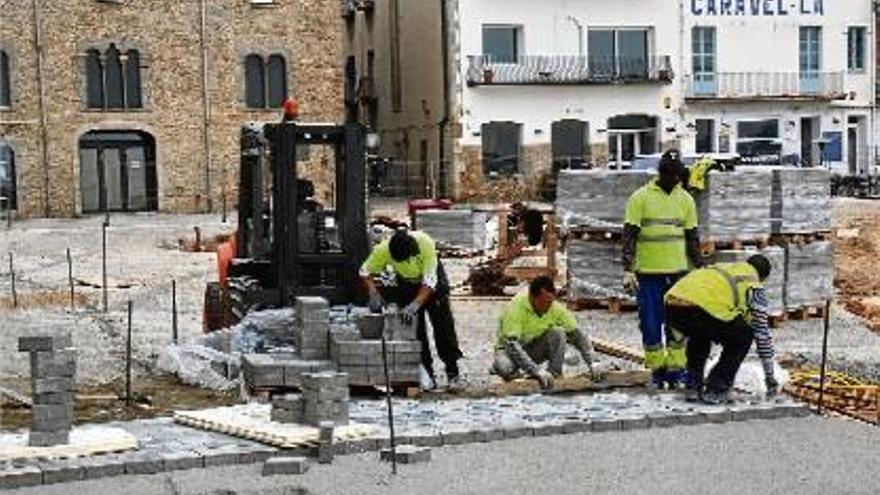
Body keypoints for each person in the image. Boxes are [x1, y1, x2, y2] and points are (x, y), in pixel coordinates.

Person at [622, 149, 702, 389]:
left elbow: (692, 237)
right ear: (660, 173)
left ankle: (676, 370)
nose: (672, 178)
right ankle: (658, 370)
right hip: (648, 274)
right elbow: (629, 236)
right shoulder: (640, 198)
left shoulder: (686, 200)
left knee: (678, 325)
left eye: (676, 174)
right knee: (650, 322)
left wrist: (698, 267)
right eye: (668, 173)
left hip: (678, 274)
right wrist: (628, 268)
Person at [664, 254, 780, 404]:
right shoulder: (753, 284)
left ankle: (693, 386)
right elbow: (762, 334)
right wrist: (770, 376)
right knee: (744, 335)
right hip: (703, 309)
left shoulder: (726, 268)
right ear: (763, 277)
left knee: (700, 334)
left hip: (672, 305)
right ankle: (716, 389)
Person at [360, 229, 464, 391]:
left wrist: (415, 305)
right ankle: (427, 375)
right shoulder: (383, 250)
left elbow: (430, 282)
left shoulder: (425, 244)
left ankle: (453, 371)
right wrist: (373, 293)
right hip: (407, 284)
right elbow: (364, 272)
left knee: (443, 326)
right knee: (416, 330)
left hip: (432, 282)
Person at [492, 276, 597, 390]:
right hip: (509, 351)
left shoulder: (554, 308)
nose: (548, 306)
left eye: (550, 301)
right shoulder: (516, 307)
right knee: (504, 367)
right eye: (544, 302)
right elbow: (512, 345)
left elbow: (577, 335)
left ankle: (555, 374)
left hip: (532, 349)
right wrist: (535, 370)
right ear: (532, 297)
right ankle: (510, 372)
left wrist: (593, 362)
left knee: (558, 333)